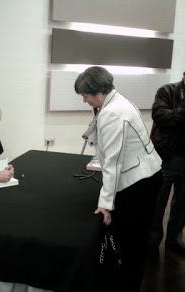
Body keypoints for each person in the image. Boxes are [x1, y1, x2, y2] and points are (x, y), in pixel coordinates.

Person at [74, 66, 162, 292]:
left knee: (132, 238)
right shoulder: (116, 101)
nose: (84, 100)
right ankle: (129, 279)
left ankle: (128, 283)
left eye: (85, 95)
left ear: (98, 92)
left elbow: (113, 163)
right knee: (134, 237)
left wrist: (105, 205)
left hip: (140, 181)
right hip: (145, 175)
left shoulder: (113, 113)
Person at [149, 72, 185, 255]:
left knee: (182, 204)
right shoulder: (166, 91)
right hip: (165, 157)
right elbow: (159, 115)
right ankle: (152, 243)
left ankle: (174, 240)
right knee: (158, 201)